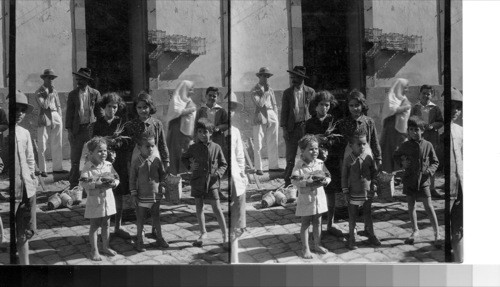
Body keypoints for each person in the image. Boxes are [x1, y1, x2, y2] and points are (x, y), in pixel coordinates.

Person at [393, 116, 441, 246]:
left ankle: (437, 233)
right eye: (411, 129)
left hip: (424, 181)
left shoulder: (428, 145)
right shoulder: (405, 145)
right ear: (408, 131)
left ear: (423, 130)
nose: (414, 132)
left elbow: (435, 162)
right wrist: (402, 163)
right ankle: (415, 230)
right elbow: (396, 156)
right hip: (409, 180)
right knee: (411, 205)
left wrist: (430, 171)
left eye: (417, 129)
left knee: (429, 206)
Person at [182, 118, 228, 248]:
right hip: (197, 181)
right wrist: (191, 166)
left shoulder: (216, 147)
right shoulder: (193, 148)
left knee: (217, 208)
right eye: (200, 132)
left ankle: (225, 235)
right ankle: (203, 233)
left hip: (212, 183)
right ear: (196, 133)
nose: (203, 134)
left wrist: (218, 174)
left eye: (205, 132)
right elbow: (184, 158)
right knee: (199, 207)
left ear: (211, 133)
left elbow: (224, 164)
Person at [92, 92, 131, 239]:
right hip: (102, 164)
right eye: (109, 106)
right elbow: (94, 142)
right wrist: (105, 144)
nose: (112, 110)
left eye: (115, 107)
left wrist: (117, 143)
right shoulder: (98, 123)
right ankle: (103, 229)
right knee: (103, 194)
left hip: (118, 162)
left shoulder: (121, 122)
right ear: (104, 107)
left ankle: (118, 226)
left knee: (118, 194)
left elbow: (127, 141)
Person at [305, 90, 343, 237]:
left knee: (331, 191)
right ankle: (317, 226)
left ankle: (331, 224)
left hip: (331, 161)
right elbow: (305, 142)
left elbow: (339, 140)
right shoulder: (310, 123)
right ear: (315, 105)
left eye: (327, 105)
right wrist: (315, 138)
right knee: (316, 192)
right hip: (315, 163)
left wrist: (330, 141)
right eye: (321, 105)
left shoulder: (333, 121)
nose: (324, 108)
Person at [291, 135, 331, 259]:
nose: (315, 151)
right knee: (306, 223)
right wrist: (306, 182)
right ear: (303, 151)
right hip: (306, 198)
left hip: (319, 198)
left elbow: (328, 175)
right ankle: (305, 248)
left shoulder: (320, 163)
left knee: (318, 221)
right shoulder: (299, 165)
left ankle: (317, 244)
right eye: (311, 149)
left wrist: (326, 181)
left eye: (316, 148)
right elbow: (294, 180)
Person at [79, 136, 119, 261]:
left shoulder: (108, 165)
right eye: (100, 151)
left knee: (106, 224)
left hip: (108, 200)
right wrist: (96, 184)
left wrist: (114, 183)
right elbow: (82, 182)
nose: (103, 153)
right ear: (91, 153)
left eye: (105, 150)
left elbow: (117, 177)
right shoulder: (88, 167)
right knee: (95, 225)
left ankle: (105, 247)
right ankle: (94, 250)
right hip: (95, 200)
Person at [130, 132, 169, 252]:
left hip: (155, 195)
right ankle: (139, 241)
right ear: (139, 147)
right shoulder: (136, 162)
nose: (150, 148)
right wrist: (134, 194)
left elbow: (162, 175)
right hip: (142, 195)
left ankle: (160, 237)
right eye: (147, 146)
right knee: (140, 218)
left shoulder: (157, 160)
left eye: (152, 146)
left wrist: (163, 185)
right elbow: (132, 179)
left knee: (156, 216)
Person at [341, 129, 381, 250]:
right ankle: (352, 238)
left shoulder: (368, 157)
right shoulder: (348, 160)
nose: (362, 146)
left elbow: (374, 172)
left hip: (367, 192)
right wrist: (345, 191)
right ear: (351, 145)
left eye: (364, 144)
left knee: (368, 214)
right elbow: (344, 177)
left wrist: (374, 183)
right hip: (354, 193)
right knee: (352, 215)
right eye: (359, 144)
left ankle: (371, 234)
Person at [66, 68, 102, 188]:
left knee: (92, 157)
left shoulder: (95, 93)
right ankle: (73, 184)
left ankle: (91, 182)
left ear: (87, 80)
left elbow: (99, 112)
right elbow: (69, 114)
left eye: (81, 79)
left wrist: (100, 129)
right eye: (77, 78)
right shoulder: (72, 94)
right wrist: (69, 131)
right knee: (75, 160)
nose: (78, 81)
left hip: (91, 129)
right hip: (77, 130)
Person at [14, 91, 38, 265]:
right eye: (15, 109)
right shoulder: (3, 132)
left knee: (24, 229)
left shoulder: (24, 132)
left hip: (26, 188)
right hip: (9, 188)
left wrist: (32, 178)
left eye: (22, 110)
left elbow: (30, 159)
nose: (19, 113)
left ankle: (25, 264)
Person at [281, 66, 316, 187]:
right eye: (292, 77)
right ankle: (288, 183)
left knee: (307, 154)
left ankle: (307, 180)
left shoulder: (310, 92)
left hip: (305, 128)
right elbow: (284, 112)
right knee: (290, 157)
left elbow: (314, 110)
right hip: (291, 128)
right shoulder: (287, 93)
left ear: (302, 78)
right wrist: (284, 129)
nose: (293, 80)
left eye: (296, 77)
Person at [411, 85, 444, 198]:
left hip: (431, 138)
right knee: (418, 161)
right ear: (420, 94)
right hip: (418, 138)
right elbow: (411, 121)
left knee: (431, 162)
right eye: (424, 93)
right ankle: (419, 188)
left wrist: (432, 126)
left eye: (428, 94)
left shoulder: (435, 108)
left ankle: (432, 188)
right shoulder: (415, 108)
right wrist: (418, 125)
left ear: (432, 95)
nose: (426, 96)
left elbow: (440, 122)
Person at [34, 69, 65, 177]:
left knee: (57, 142)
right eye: (48, 78)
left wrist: (59, 116)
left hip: (55, 114)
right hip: (44, 116)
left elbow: (58, 104)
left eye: (52, 78)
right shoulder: (39, 92)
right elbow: (44, 106)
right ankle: (43, 170)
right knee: (42, 143)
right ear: (44, 79)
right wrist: (49, 94)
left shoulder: (54, 90)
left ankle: (57, 168)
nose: (51, 80)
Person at [250, 67, 280, 175]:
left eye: (267, 76)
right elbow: (260, 104)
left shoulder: (270, 89)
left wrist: (275, 116)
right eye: (264, 76)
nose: (266, 78)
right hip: (260, 114)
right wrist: (266, 92)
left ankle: (273, 166)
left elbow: (275, 103)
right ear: (259, 76)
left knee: (273, 140)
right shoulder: (254, 90)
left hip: (271, 113)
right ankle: (259, 168)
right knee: (258, 142)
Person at [229, 92, 247, 263]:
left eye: (233, 109)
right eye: (227, 108)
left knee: (239, 200)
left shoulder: (235, 131)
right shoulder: (214, 131)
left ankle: (238, 229)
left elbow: (239, 155)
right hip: (220, 175)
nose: (230, 112)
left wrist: (242, 172)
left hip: (234, 174)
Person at [380, 78, 411, 173]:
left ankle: (399, 172)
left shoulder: (404, 98)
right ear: (399, 87)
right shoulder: (391, 97)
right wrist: (405, 107)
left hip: (401, 129)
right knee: (390, 150)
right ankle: (388, 171)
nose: (407, 90)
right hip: (391, 128)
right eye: (405, 88)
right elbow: (391, 110)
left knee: (400, 149)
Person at [166, 80, 197, 175]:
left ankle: (184, 174)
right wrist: (190, 110)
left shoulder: (189, 100)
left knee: (185, 151)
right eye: (191, 90)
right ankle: (175, 173)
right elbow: (176, 112)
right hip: (177, 130)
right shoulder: (176, 99)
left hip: (187, 131)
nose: (193, 92)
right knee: (176, 151)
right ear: (184, 89)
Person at [448, 88, 463, 262]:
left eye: (458, 107)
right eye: (451, 106)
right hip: (445, 185)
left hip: (459, 184)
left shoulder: (460, 131)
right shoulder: (437, 131)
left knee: (458, 224)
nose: (455, 111)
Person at [195, 87, 229, 160]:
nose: (212, 98)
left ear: (217, 97)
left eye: (214, 96)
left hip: (217, 138)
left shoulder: (221, 110)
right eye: (210, 95)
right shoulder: (201, 110)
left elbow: (227, 124)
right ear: (206, 96)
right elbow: (196, 126)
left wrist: (218, 127)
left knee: (216, 157)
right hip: (203, 138)